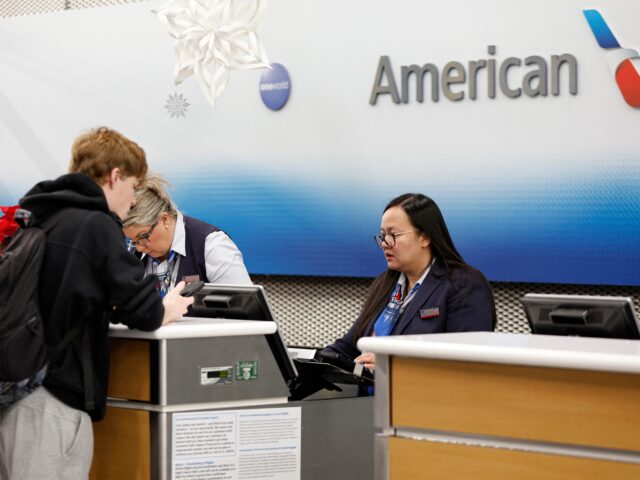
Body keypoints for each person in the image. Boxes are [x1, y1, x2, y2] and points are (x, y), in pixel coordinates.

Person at [0, 127, 194, 479]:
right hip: (53, 398)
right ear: (115, 176)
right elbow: (143, 310)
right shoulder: (94, 225)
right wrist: (167, 308)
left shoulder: (44, 217)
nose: (134, 201)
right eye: (133, 188)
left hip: (18, 391)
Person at [324, 193, 496, 370]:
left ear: (425, 237)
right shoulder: (385, 283)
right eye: (383, 235)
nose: (385, 243)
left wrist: (393, 366)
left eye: (393, 235)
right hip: (369, 396)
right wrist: (312, 363)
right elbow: (349, 346)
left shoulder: (464, 284)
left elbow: (469, 363)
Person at [122, 172, 252, 295]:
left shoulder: (212, 245)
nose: (139, 247)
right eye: (132, 241)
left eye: (143, 236)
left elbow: (245, 308)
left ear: (165, 220)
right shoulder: (133, 252)